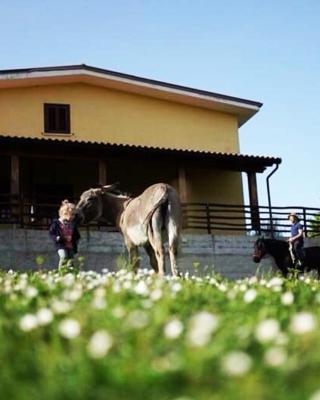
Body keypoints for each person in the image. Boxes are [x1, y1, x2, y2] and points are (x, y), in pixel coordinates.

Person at [49, 200, 81, 270]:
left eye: (74, 215)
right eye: (72, 214)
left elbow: (77, 234)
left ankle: (70, 273)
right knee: (63, 256)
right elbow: (51, 233)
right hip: (61, 244)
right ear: (65, 213)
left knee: (71, 260)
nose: (73, 217)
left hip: (70, 245)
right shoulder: (56, 223)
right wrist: (57, 238)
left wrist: (76, 239)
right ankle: (61, 273)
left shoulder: (72, 224)